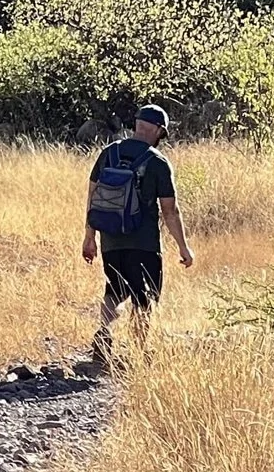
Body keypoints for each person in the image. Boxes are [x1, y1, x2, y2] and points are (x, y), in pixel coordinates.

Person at [81, 104, 194, 363]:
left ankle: (104, 332)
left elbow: (93, 197)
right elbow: (170, 211)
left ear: (137, 124)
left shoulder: (109, 153)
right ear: (159, 131)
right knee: (145, 298)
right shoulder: (157, 162)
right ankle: (140, 352)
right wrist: (183, 247)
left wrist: (90, 237)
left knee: (114, 290)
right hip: (144, 243)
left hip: (111, 240)